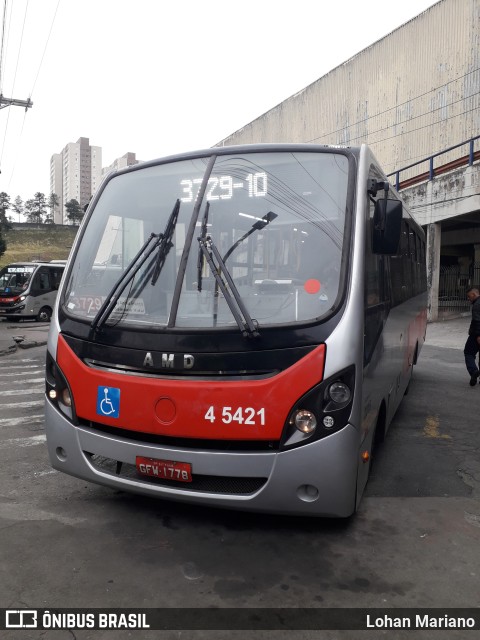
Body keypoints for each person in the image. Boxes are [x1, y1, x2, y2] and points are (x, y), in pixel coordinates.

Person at [464, 286, 480, 386]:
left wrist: (478, 335)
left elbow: (477, 321)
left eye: (469, 296)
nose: (468, 298)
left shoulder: (477, 305)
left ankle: (474, 371)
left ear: (474, 294)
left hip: (477, 334)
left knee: (468, 353)